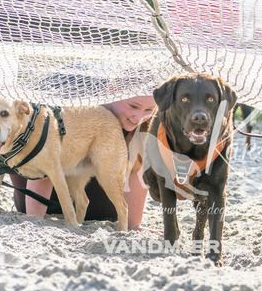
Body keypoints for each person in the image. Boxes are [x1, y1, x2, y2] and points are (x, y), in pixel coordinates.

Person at [11, 96, 156, 230]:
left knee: (107, 205)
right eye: (133, 106)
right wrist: (34, 216)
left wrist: (133, 225)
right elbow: (44, 160)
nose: (139, 117)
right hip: (36, 188)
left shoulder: (144, 127)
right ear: (114, 91)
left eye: (149, 110)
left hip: (90, 197)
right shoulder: (73, 103)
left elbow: (137, 170)